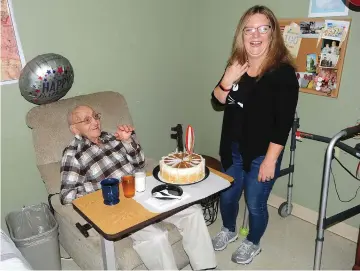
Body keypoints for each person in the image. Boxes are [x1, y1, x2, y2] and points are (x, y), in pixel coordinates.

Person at [60, 105, 217, 270]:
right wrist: (106, 188)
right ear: (74, 129)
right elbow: (67, 195)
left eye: (95, 116)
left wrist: (127, 141)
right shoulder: (73, 153)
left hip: (143, 191)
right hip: (120, 207)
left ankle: (206, 268)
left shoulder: (112, 137)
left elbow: (140, 163)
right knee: (156, 237)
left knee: (193, 211)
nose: (95, 122)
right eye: (87, 120)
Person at [211, 5, 299, 265]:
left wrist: (271, 160)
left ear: (273, 34)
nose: (255, 35)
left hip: (263, 152)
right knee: (227, 195)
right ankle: (228, 229)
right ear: (242, 34)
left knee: (255, 202)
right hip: (233, 147)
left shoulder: (282, 74)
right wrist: (227, 79)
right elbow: (217, 100)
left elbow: (283, 124)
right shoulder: (236, 64)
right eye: (249, 29)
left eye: (263, 28)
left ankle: (253, 242)